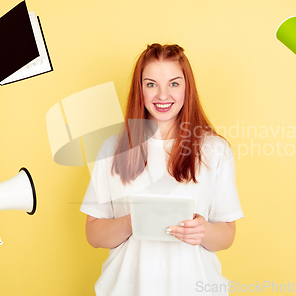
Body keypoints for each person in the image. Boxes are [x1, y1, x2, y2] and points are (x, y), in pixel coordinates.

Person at [80, 43, 244, 296]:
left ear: (187, 88)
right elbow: (93, 234)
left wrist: (203, 230)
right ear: (140, 89)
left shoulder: (215, 150)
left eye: (174, 83)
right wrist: (132, 222)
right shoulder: (113, 149)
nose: (162, 95)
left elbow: (227, 235)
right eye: (151, 84)